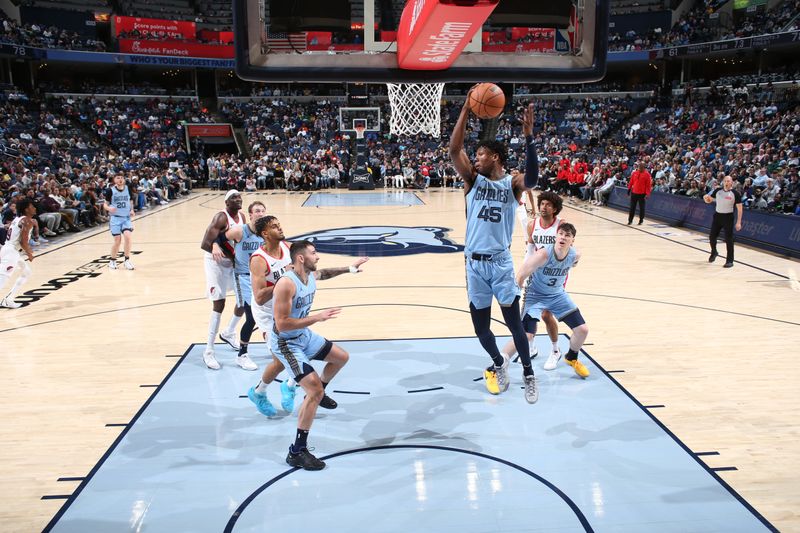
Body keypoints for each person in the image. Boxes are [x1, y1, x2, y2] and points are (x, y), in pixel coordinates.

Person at [449, 98, 539, 403]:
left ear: (496, 157)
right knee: (481, 329)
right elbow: (453, 151)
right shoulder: (472, 181)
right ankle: (500, 364)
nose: (476, 159)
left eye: (481, 154)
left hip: (500, 264)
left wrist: (528, 138)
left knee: (515, 325)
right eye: (475, 154)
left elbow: (534, 179)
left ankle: (528, 373)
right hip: (473, 265)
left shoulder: (512, 184)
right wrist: (464, 110)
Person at [270, 240, 368, 470]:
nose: (318, 257)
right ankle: (297, 451)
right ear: (301, 258)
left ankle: (318, 393)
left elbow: (324, 273)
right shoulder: (286, 284)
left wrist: (349, 268)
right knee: (313, 390)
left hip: (303, 335)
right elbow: (282, 324)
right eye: (314, 253)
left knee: (341, 358)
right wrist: (317, 317)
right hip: (286, 343)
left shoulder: (310, 275)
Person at [245, 216, 303, 416]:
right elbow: (260, 297)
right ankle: (258, 392)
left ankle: (289, 384)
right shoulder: (259, 260)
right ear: (264, 234)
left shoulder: (288, 247)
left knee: (301, 349)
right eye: (274, 226)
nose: (280, 228)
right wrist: (284, 277)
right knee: (280, 360)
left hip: (287, 306)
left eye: (279, 224)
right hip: (267, 312)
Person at [515, 223, 590, 379]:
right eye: (561, 233)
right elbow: (522, 272)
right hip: (535, 295)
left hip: (557, 295)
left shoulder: (575, 255)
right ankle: (502, 361)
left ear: (572, 240)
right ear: (556, 236)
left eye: (567, 235)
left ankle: (571, 357)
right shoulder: (544, 254)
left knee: (582, 330)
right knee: (527, 335)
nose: (563, 237)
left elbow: (574, 263)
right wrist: (517, 290)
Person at [501, 191, 564, 370]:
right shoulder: (532, 225)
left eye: (548, 205)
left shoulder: (561, 225)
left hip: (554, 274)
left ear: (555, 209)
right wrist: (524, 273)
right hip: (536, 274)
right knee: (529, 312)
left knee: (545, 314)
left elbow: (567, 249)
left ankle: (555, 350)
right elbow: (529, 251)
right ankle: (531, 347)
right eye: (542, 204)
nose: (544, 207)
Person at [200, 190, 247, 370]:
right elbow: (205, 243)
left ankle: (228, 332)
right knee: (219, 304)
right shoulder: (221, 217)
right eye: (234, 198)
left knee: (243, 301)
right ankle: (209, 351)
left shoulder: (242, 216)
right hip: (216, 262)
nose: (238, 199)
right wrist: (214, 245)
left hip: (233, 261)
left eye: (239, 197)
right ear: (226, 202)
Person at [222, 201, 268, 372]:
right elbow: (220, 238)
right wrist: (221, 250)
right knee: (252, 316)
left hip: (262, 277)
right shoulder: (241, 231)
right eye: (257, 211)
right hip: (244, 277)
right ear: (250, 214)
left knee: (271, 312)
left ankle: (274, 344)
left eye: (263, 210)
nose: (261, 213)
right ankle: (242, 355)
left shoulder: (266, 232)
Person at [0, 199, 36, 309]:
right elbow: (23, 242)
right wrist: (30, 253)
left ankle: (8, 299)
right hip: (11, 252)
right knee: (2, 279)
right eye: (32, 206)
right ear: (26, 209)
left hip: (11, 250)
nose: (34, 208)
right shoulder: (27, 221)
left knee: (26, 273)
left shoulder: (18, 219)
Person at [703, 175, 743, 268]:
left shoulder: (735, 193)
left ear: (731, 183)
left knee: (729, 239)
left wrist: (738, 222)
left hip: (728, 217)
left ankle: (729, 260)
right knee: (712, 236)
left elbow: (740, 209)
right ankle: (714, 252)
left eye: (728, 181)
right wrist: (706, 198)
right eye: (725, 181)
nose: (726, 183)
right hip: (717, 216)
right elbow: (709, 200)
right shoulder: (718, 191)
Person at [104, 174, 135, 270]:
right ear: (114, 180)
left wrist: (132, 210)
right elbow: (105, 204)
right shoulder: (110, 190)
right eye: (118, 178)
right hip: (115, 219)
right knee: (117, 241)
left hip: (126, 218)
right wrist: (109, 208)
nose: (120, 179)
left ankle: (127, 260)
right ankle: (112, 260)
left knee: (128, 237)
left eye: (122, 178)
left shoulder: (127, 188)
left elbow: (130, 200)